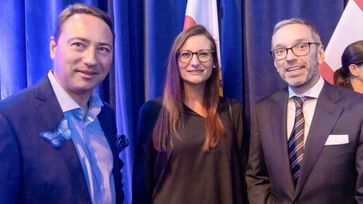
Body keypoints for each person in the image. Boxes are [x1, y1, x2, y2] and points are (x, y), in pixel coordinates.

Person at [0, 3, 125, 203]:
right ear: (53, 47)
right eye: (79, 45)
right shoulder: (10, 118)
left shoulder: (105, 115)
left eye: (103, 49)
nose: (91, 59)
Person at [245, 18, 363, 203]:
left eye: (301, 46)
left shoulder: (357, 108)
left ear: (320, 54)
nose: (290, 57)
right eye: (280, 51)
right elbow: (257, 177)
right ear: (275, 62)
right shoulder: (264, 110)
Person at [132, 25, 245, 204]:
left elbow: (242, 178)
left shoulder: (232, 111)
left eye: (203, 54)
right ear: (175, 61)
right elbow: (142, 184)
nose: (194, 62)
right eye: (186, 55)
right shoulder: (153, 111)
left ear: (214, 61)